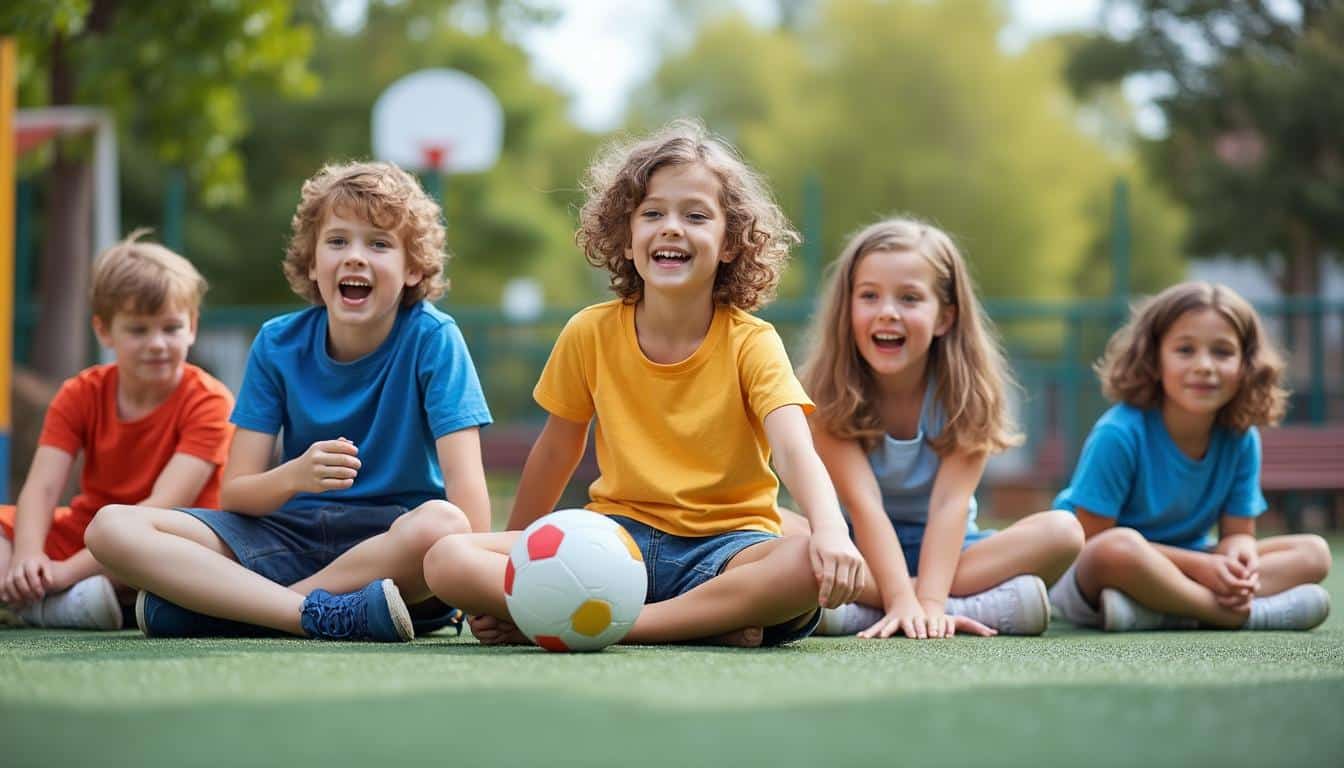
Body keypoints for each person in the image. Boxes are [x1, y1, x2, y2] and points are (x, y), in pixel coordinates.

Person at [423, 120, 864, 647]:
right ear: (627, 238)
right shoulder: (589, 332)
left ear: (729, 243)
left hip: (727, 548)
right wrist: (522, 570)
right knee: (446, 558)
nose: (671, 227)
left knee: (805, 563)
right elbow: (556, 451)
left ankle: (618, 625)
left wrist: (831, 530)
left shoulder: (753, 341)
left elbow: (793, 449)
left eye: (695, 215)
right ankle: (702, 625)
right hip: (611, 544)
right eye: (652, 213)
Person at [86, 161, 492, 642]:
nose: (355, 257)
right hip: (288, 536)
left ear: (413, 269)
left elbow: (466, 495)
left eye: (379, 244)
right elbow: (236, 493)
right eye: (337, 241)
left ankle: (243, 610)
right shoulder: (277, 343)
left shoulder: (434, 338)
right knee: (111, 527)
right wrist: (295, 476)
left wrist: (475, 594)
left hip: (390, 551)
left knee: (443, 523)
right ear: (312, 262)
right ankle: (308, 614)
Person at [801, 218, 1083, 638]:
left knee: (1064, 532)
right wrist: (901, 598)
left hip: (952, 554)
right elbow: (864, 506)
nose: (888, 312)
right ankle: (966, 607)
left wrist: (927, 602)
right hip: (857, 548)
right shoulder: (825, 394)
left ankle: (864, 610)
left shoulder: (971, 393)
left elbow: (950, 506)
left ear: (944, 318)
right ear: (848, 309)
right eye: (869, 295)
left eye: (910, 298)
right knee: (775, 528)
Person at [1048, 282, 1331, 631]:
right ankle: (1235, 615)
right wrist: (1201, 568)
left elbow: (1238, 533)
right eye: (1185, 350)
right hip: (1096, 570)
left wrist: (1237, 556)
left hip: (1190, 566)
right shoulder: (1118, 433)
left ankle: (1164, 610)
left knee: (1314, 554)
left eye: (1222, 352)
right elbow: (1092, 542)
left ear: (1247, 365)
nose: (1205, 366)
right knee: (1118, 548)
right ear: (1154, 360)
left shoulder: (1241, 439)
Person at [0, 230, 234, 630]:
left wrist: (62, 572)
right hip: (89, 531)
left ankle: (56, 599)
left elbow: (165, 504)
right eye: (138, 330)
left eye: (171, 328)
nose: (157, 343)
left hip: (168, 535)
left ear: (192, 327)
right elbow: (42, 488)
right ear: (105, 331)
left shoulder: (210, 402)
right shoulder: (80, 393)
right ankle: (54, 599)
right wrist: (27, 556)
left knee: (150, 551)